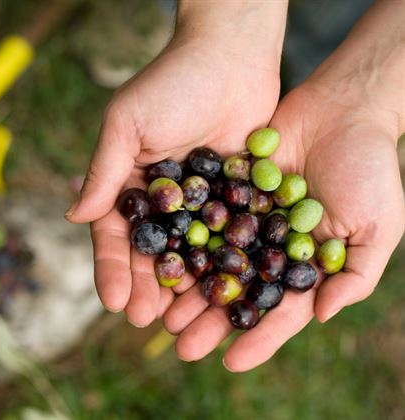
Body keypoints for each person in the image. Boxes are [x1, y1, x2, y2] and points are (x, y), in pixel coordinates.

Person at [65, 1, 405, 372]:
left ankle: (323, 54)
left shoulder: (249, 229)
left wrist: (368, 96)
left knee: (329, 20)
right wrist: (224, 30)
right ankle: (161, 15)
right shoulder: (216, 219)